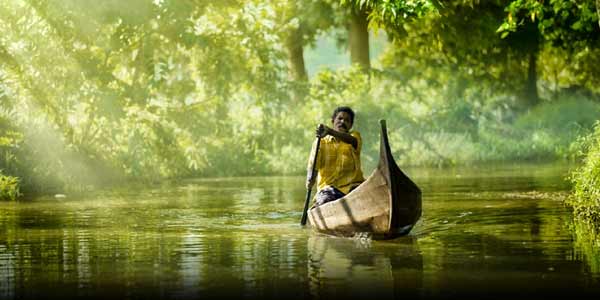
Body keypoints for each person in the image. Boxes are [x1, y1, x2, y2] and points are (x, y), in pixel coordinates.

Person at [306, 106, 365, 206]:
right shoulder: (321, 143)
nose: (342, 122)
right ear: (333, 121)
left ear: (350, 125)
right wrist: (310, 179)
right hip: (329, 190)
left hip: (353, 187)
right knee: (325, 201)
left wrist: (329, 131)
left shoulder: (354, 137)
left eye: (347, 120)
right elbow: (313, 167)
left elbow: (352, 141)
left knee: (366, 195)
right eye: (340, 118)